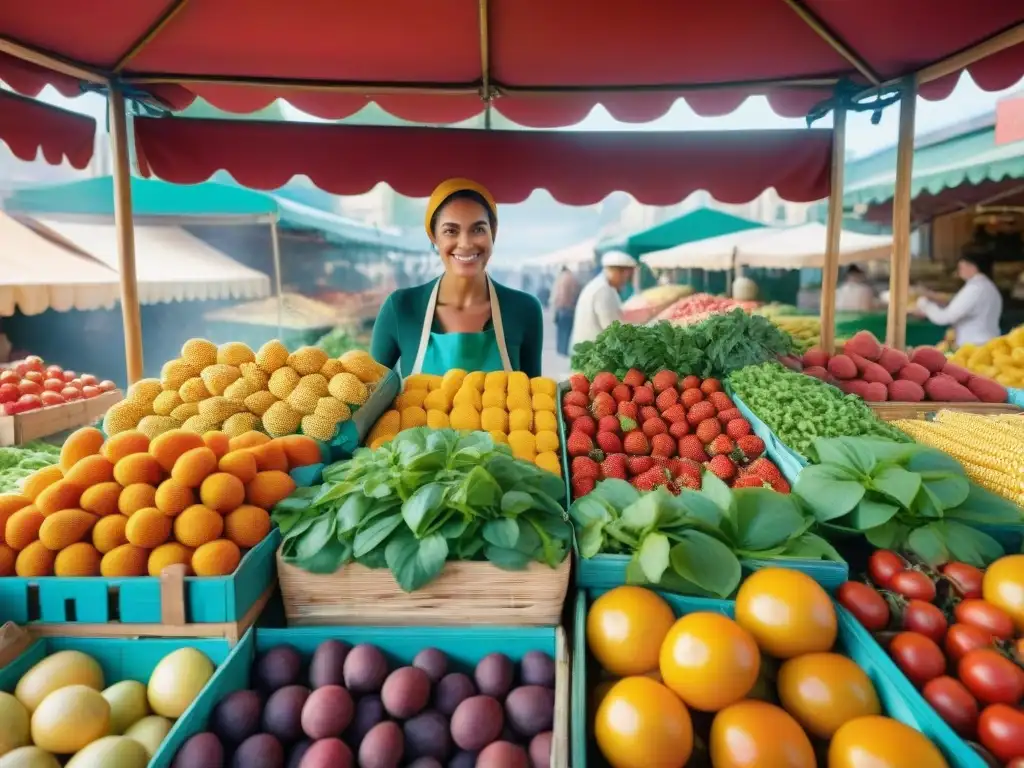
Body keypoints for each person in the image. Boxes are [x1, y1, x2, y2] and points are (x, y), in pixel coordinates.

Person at [370, 178, 544, 378]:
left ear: (492, 233)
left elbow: (535, 402)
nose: (465, 243)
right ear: (434, 237)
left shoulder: (524, 310)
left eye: (478, 229)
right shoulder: (401, 308)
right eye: (450, 231)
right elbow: (372, 397)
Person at [913, 254, 1003, 346]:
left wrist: (923, 303)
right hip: (986, 341)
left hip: (975, 344)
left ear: (972, 267)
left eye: (961, 268)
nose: (959, 272)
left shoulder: (974, 289)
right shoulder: (987, 286)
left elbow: (945, 317)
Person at [571, 251, 637, 349]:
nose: (625, 280)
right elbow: (613, 329)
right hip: (594, 354)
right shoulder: (604, 290)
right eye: (625, 276)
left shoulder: (598, 285)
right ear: (616, 272)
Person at [551, 266, 581, 357]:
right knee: (567, 331)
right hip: (571, 308)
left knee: (561, 330)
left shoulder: (559, 279)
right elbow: (577, 293)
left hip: (561, 308)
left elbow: (555, 296)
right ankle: (564, 350)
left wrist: (554, 309)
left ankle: (560, 350)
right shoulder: (573, 279)